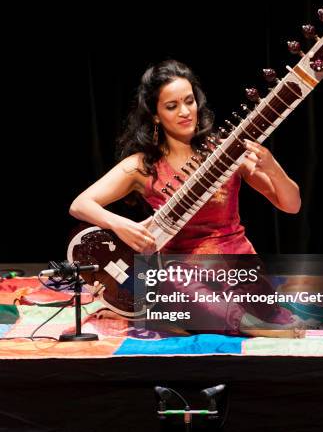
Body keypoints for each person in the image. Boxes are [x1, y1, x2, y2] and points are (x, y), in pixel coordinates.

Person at [69, 60, 302, 337]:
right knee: (172, 284)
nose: (185, 112)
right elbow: (80, 204)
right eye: (172, 106)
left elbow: (291, 205)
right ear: (155, 115)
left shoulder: (225, 153)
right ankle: (256, 329)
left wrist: (272, 166)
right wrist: (119, 225)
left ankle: (208, 320)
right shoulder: (142, 166)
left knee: (238, 298)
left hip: (238, 267)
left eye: (189, 101)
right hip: (182, 278)